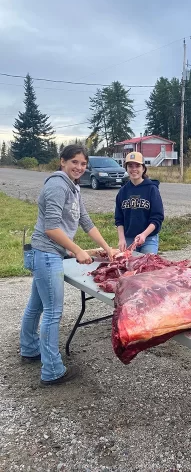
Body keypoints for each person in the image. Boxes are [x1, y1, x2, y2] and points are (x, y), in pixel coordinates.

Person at [20, 145, 116, 386]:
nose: (79, 167)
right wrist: (78, 251)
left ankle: (30, 349)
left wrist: (107, 248)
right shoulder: (57, 185)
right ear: (62, 161)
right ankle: (52, 370)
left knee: (36, 305)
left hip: (49, 254)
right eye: (74, 162)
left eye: (83, 164)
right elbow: (51, 228)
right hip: (46, 254)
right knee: (53, 312)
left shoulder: (73, 187)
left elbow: (85, 221)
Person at [115, 152, 164, 254]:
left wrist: (144, 234)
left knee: (148, 267)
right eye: (130, 166)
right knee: (128, 266)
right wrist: (121, 239)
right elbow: (119, 219)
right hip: (129, 238)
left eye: (137, 165)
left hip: (149, 238)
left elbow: (157, 217)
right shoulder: (123, 191)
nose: (134, 169)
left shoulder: (152, 189)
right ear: (126, 168)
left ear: (143, 168)